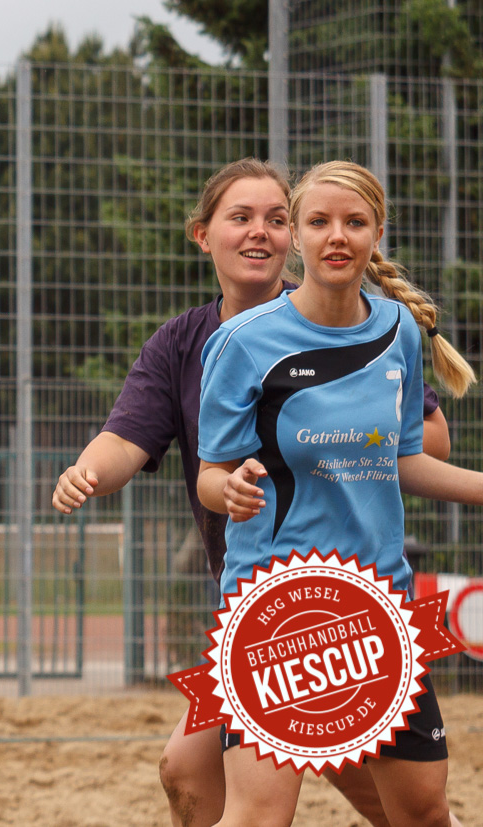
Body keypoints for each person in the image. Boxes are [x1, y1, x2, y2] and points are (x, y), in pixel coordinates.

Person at [49, 158, 460, 827]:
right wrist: (86, 472)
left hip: (360, 593)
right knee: (192, 771)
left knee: (406, 800)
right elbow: (127, 439)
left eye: (274, 216)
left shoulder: (367, 324)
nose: (260, 232)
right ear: (203, 234)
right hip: (269, 599)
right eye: (242, 217)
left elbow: (417, 446)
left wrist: (348, 440)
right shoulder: (194, 343)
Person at [199, 160, 478, 827]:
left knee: (425, 815)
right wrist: (229, 486)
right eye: (319, 221)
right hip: (277, 610)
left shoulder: (399, 331)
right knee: (258, 817)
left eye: (354, 222)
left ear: (377, 232)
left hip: (378, 610)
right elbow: (211, 474)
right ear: (296, 234)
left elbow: (404, 459)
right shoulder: (241, 341)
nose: (337, 235)